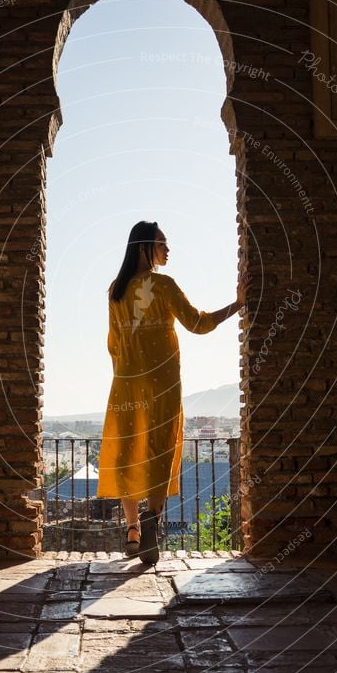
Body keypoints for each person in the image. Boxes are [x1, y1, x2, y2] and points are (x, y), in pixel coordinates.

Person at [96, 220, 250, 564]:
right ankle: (153, 518)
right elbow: (198, 323)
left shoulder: (114, 291)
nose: (168, 251)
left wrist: (125, 373)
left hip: (125, 383)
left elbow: (114, 344)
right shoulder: (162, 285)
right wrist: (237, 304)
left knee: (126, 453)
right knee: (157, 450)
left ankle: (133, 530)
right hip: (162, 385)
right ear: (144, 248)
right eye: (163, 244)